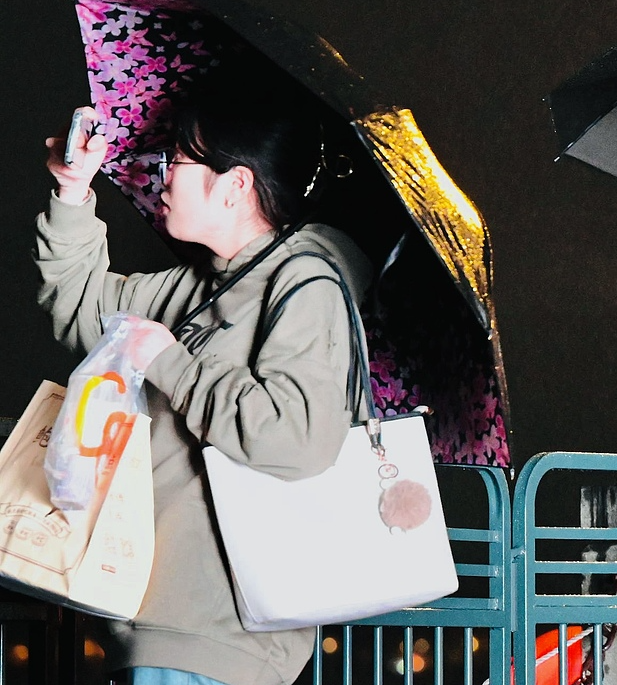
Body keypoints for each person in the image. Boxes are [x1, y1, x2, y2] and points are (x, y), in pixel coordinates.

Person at [34, 82, 369, 685]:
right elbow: (82, 306)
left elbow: (299, 440)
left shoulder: (304, 287)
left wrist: (173, 365)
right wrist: (74, 189)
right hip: (155, 616)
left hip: (218, 634)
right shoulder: (197, 286)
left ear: (236, 185)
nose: (163, 176)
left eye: (179, 161)